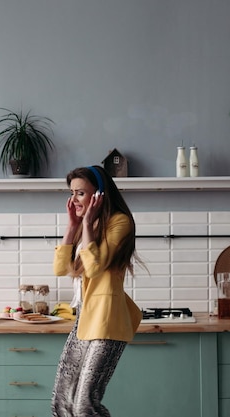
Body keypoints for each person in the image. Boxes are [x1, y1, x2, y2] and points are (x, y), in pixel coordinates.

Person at [51, 165, 143, 417]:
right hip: (85, 319)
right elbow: (60, 269)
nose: (74, 200)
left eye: (80, 193)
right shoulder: (84, 225)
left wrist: (88, 223)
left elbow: (93, 267)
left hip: (107, 319)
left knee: (84, 406)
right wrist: (72, 227)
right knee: (62, 403)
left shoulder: (120, 222)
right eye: (71, 193)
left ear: (100, 194)